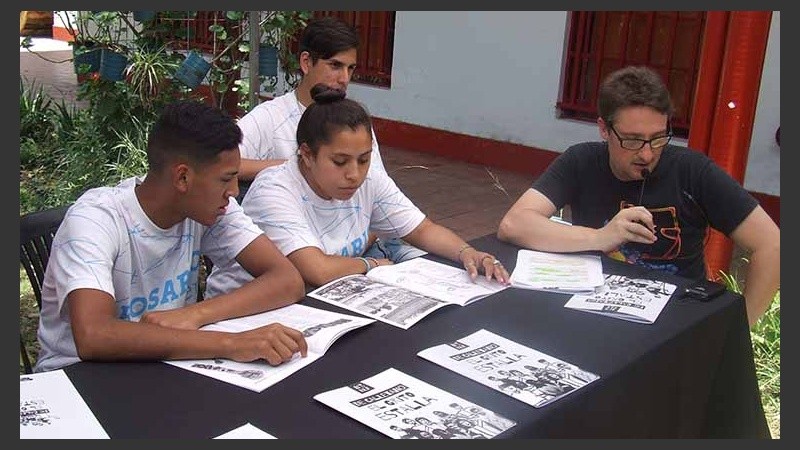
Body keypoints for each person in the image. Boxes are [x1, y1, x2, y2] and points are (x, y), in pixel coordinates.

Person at [34, 100, 308, 373]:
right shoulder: (95, 220)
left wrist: (195, 314)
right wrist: (231, 343)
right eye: (226, 179)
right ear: (183, 178)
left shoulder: (211, 209)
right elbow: (94, 335)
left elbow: (287, 280)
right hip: (78, 379)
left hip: (161, 365)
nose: (234, 191)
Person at [497, 65, 780, 327]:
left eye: (658, 138)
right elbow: (514, 224)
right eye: (632, 140)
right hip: (595, 310)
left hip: (676, 321)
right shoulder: (581, 161)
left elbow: (772, 244)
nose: (647, 154)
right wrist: (600, 237)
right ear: (604, 130)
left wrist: (740, 329)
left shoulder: (692, 171)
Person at [205, 85, 509, 293]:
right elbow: (317, 270)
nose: (354, 174)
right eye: (340, 162)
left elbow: (421, 229)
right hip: (256, 310)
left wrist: (468, 253)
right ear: (306, 155)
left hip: (324, 297)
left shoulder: (369, 179)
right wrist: (373, 264)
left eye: (364, 160)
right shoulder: (276, 190)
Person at [236, 16, 386, 197]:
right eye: (335, 66)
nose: (344, 79)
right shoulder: (271, 117)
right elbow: (221, 163)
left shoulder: (354, 122)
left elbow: (378, 184)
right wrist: (292, 167)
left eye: (350, 68)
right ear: (306, 62)